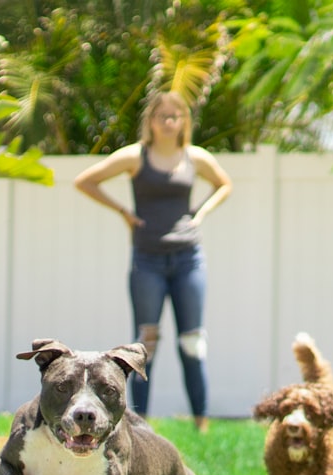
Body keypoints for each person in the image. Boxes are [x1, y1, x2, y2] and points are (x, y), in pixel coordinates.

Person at [73, 91, 234, 433]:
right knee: (145, 345)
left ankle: (201, 422)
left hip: (188, 259)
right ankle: (139, 424)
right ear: (151, 121)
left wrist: (201, 213)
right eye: (162, 116)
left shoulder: (194, 158)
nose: (169, 121)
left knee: (192, 342)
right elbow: (85, 181)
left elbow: (224, 185)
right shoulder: (136, 157)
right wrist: (124, 213)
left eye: (176, 116)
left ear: (184, 122)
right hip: (147, 260)